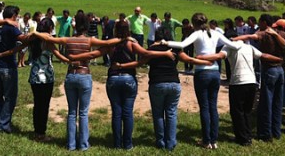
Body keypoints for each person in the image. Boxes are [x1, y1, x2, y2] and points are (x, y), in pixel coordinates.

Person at [69, 22, 174, 150]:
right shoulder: (131, 43)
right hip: (129, 79)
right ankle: (128, 144)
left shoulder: (110, 45)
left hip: (113, 79)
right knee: (128, 113)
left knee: (116, 113)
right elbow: (147, 53)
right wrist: (165, 53)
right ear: (128, 30)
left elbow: (92, 55)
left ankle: (117, 144)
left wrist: (75, 57)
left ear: (115, 30)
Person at [34, 13, 127, 151]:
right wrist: (124, 38)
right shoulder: (89, 41)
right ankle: (83, 144)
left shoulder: (68, 39)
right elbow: (107, 43)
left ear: (75, 25)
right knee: (83, 112)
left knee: (72, 112)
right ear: (87, 26)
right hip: (84, 75)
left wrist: (35, 33)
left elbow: (49, 38)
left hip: (71, 75)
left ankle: (71, 144)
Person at [161, 13, 242, 149]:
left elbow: (182, 44)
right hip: (215, 72)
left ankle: (206, 140)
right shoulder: (215, 33)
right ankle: (214, 140)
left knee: (204, 107)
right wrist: (241, 41)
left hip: (202, 72)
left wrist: (165, 42)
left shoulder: (197, 33)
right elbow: (233, 46)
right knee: (213, 106)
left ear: (194, 23)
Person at [197, 41, 282, 146]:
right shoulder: (249, 47)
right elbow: (264, 56)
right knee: (247, 111)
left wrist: (201, 57)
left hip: (238, 83)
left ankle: (242, 139)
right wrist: (279, 59)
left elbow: (219, 56)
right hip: (251, 82)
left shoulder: (229, 46)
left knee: (237, 112)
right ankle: (247, 135)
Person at [232, 14, 285, 142]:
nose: (258, 24)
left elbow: (249, 36)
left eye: (260, 22)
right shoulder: (281, 33)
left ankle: (265, 134)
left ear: (264, 22)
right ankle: (276, 131)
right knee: (277, 102)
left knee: (266, 103)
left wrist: (235, 39)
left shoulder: (264, 34)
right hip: (280, 70)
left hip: (269, 70)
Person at [0, 5, 29, 133]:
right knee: (10, 97)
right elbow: (23, 39)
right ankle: (3, 124)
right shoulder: (11, 28)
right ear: (14, 16)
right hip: (8, 67)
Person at [27, 18, 69, 142]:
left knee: (37, 105)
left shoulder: (33, 39)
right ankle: (41, 133)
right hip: (45, 77)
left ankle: (37, 131)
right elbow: (58, 55)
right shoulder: (48, 40)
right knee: (44, 106)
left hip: (34, 76)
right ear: (49, 27)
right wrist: (70, 61)